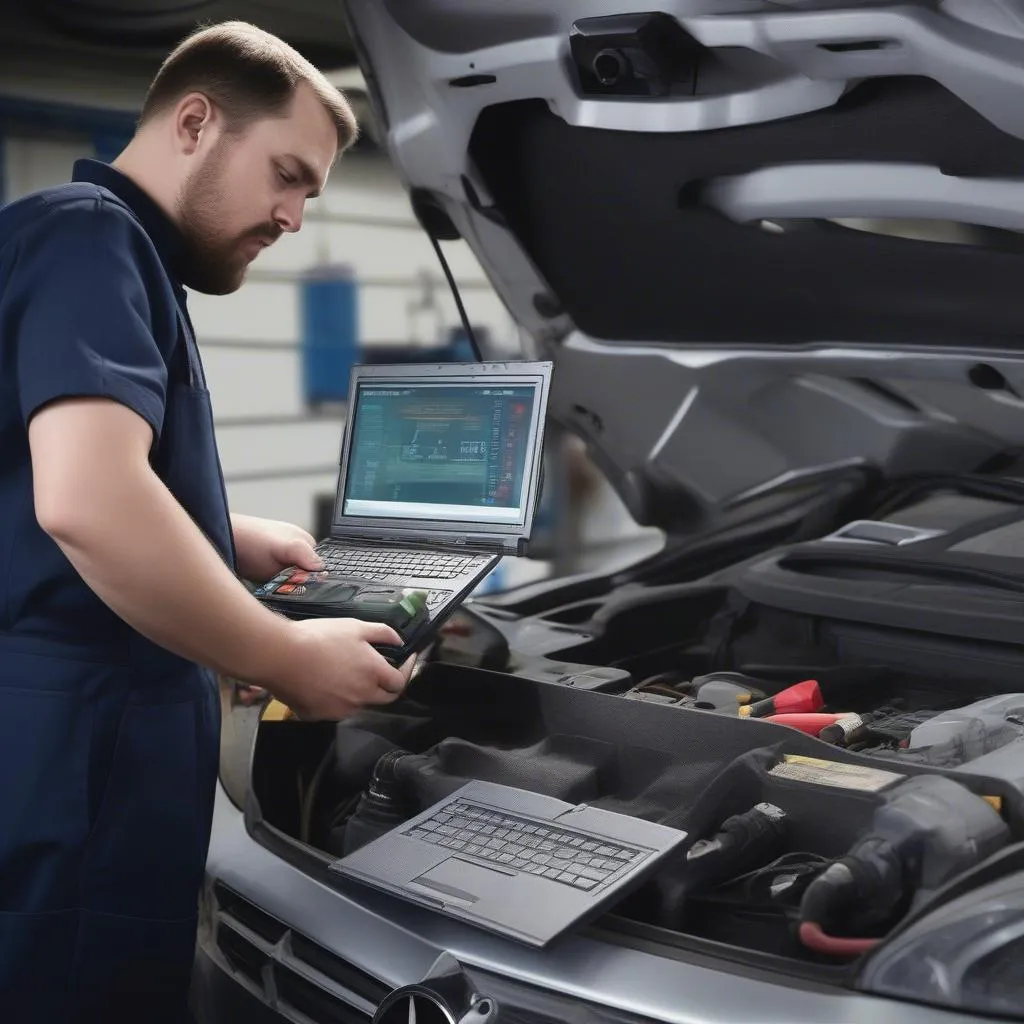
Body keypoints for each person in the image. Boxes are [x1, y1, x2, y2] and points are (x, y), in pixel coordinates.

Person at [0, 21, 415, 1022]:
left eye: (310, 192)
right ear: (194, 122)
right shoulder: (90, 236)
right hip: (77, 765)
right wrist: (280, 655)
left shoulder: (91, 247)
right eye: (286, 174)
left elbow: (33, 482)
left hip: (73, 753)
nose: (293, 216)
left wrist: (226, 530)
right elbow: (87, 503)